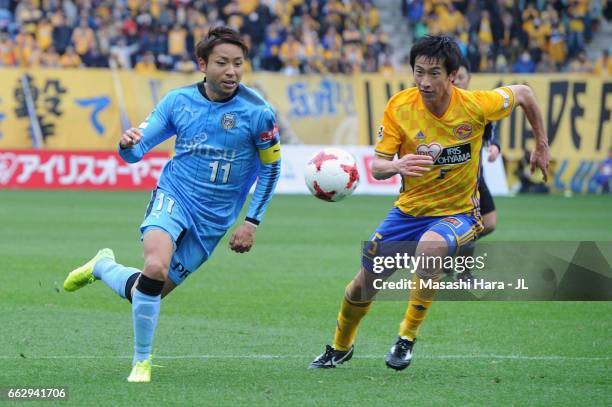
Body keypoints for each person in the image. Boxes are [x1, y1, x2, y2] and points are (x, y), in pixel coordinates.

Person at [309, 35, 550, 371]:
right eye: (418, 72)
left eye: (434, 73)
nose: (424, 81)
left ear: (453, 75)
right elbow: (377, 167)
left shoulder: (477, 105)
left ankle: (406, 338)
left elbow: (524, 93)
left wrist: (541, 145)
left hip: (460, 213)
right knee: (363, 284)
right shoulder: (399, 107)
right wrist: (397, 165)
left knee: (431, 246)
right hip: (408, 212)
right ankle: (340, 346)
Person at [63, 27, 281, 383]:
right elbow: (135, 153)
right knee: (155, 265)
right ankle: (141, 362)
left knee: (148, 291)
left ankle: (103, 267)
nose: (232, 71)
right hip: (175, 196)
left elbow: (272, 168)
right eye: (222, 63)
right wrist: (126, 143)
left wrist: (251, 221)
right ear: (202, 64)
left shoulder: (259, 113)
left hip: (214, 221)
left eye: (238, 63)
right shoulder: (177, 102)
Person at [453, 59, 499, 236]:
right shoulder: (441, 106)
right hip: (452, 179)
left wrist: (494, 145)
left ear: (469, 79)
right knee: (468, 225)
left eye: (461, 77)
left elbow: (491, 130)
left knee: (489, 223)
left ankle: (451, 245)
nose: (457, 81)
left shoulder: (477, 105)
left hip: (475, 176)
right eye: (454, 77)